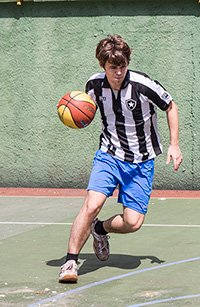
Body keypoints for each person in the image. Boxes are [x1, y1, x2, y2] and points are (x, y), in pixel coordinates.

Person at [58, 34, 183, 283]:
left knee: (133, 222)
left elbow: (170, 106)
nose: (118, 72)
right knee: (92, 204)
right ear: (103, 66)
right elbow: (87, 109)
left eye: (122, 66)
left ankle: (99, 228)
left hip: (141, 161)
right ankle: (70, 262)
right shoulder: (93, 85)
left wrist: (174, 145)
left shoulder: (143, 85)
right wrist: (74, 115)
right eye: (113, 67)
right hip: (109, 155)